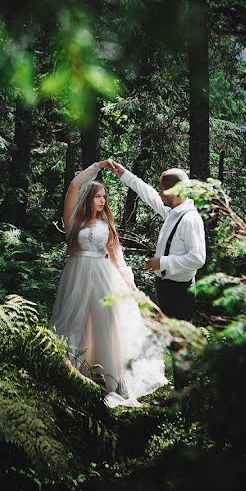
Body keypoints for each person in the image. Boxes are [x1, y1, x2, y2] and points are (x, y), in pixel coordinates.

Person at [50, 161, 168, 408]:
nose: (102, 201)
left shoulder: (107, 225)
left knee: (106, 322)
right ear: (87, 200)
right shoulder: (74, 222)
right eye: (97, 197)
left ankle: (112, 378)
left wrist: (129, 283)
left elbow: (116, 257)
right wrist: (97, 166)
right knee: (76, 321)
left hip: (103, 276)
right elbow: (73, 186)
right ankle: (76, 372)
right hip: (77, 274)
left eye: (104, 196)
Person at [104, 160, 206, 321]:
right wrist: (124, 174)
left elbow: (198, 259)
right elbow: (148, 194)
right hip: (165, 287)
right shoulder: (172, 212)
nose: (158, 194)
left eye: (161, 190)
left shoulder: (190, 220)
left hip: (179, 292)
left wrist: (162, 263)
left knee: (177, 340)